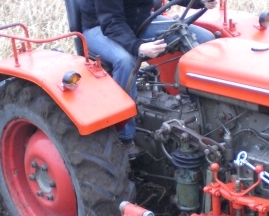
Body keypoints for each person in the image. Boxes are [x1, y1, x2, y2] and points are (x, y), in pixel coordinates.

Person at [81, 0, 217, 157]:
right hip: (101, 27)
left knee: (204, 38)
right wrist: (137, 46)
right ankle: (124, 138)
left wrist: (200, 2)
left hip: (139, 22)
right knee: (126, 61)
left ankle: (200, 113)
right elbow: (111, 22)